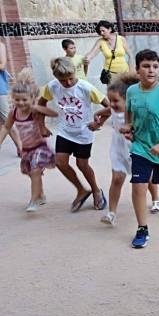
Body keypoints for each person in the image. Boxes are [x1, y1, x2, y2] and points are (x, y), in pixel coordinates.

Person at [120, 49, 159, 249]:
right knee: (139, 185)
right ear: (138, 69)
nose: (151, 70)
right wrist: (129, 126)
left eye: (155, 66)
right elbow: (129, 112)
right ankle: (142, 228)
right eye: (146, 66)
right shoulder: (132, 91)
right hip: (141, 146)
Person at [89, 73, 159, 226]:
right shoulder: (114, 109)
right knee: (116, 179)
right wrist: (97, 116)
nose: (112, 104)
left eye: (116, 101)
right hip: (118, 147)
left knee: (146, 178)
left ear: (128, 100)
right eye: (110, 100)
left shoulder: (136, 112)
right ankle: (111, 213)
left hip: (136, 147)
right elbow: (108, 111)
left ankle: (156, 199)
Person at [39, 57, 109, 212]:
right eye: (63, 80)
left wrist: (99, 122)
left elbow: (109, 106)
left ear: (74, 72)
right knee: (60, 162)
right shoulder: (51, 87)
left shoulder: (85, 87)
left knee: (82, 164)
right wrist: (41, 126)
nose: (68, 83)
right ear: (56, 77)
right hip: (65, 131)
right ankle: (81, 190)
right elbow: (40, 104)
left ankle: (96, 190)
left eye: (71, 78)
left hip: (84, 132)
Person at [0, 68, 57, 212]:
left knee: (35, 171)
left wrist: (37, 107)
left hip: (39, 147)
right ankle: (41, 194)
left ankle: (33, 200)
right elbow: (6, 128)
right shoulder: (14, 112)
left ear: (32, 99)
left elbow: (54, 113)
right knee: (33, 174)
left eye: (24, 100)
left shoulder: (34, 111)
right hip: (26, 149)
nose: (21, 103)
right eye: (17, 99)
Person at [84, 20, 135, 85]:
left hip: (124, 72)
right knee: (113, 94)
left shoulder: (121, 39)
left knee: (126, 93)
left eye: (103, 31)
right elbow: (92, 53)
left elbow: (130, 55)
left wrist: (131, 72)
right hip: (110, 74)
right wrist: (87, 58)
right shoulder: (100, 42)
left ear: (110, 29)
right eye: (100, 32)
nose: (101, 33)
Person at [0, 41, 22, 156]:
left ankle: (21, 148)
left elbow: (2, 65)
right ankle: (21, 148)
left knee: (7, 120)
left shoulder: (0, 45)